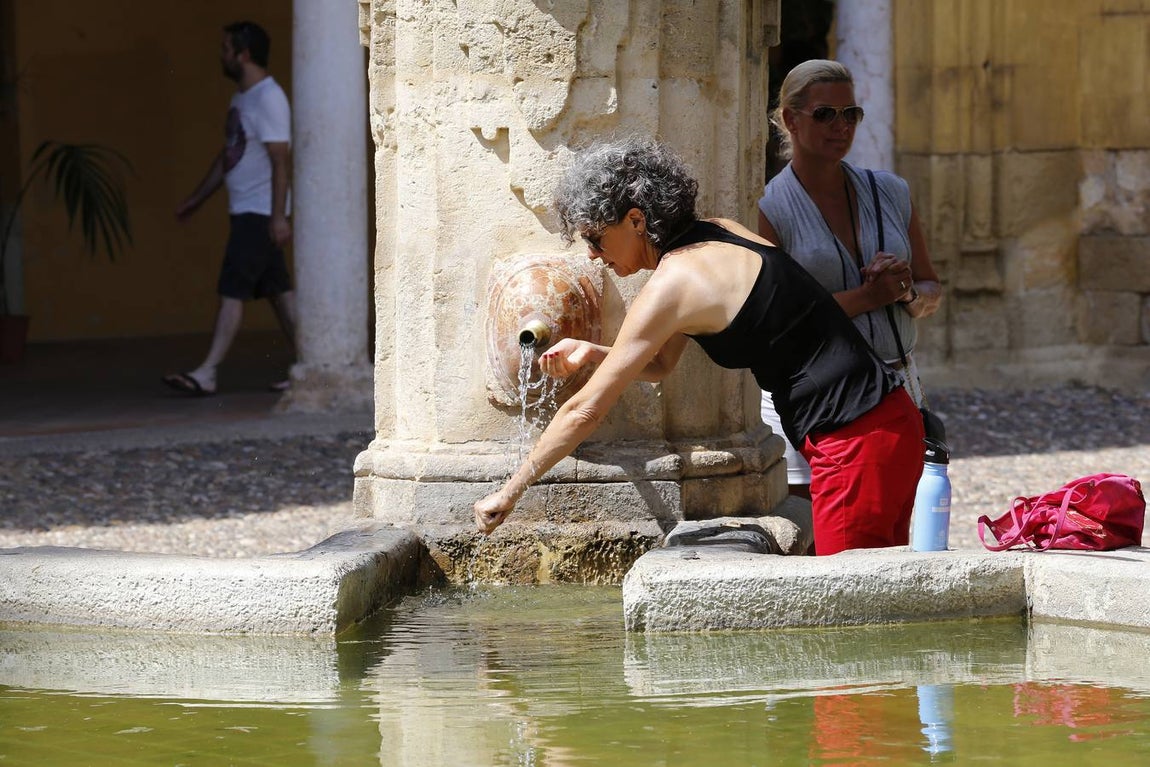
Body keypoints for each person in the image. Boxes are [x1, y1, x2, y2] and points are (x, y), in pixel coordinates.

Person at [473, 137, 924, 556]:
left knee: (847, 620)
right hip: (886, 422)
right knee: (878, 615)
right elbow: (660, 364)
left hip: (855, 443)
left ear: (636, 220)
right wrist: (595, 353)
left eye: (595, 237)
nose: (592, 254)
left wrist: (510, 490)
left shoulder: (675, 281)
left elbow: (584, 411)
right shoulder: (718, 231)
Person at [757, 59, 942, 498]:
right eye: (825, 114)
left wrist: (907, 291)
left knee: (893, 537)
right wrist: (868, 295)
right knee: (815, 538)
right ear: (791, 120)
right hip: (816, 401)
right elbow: (780, 324)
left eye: (850, 114)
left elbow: (930, 287)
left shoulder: (891, 191)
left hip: (897, 388)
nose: (841, 126)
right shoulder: (767, 208)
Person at [163, 20, 296, 396]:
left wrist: (277, 217)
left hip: (259, 213)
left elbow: (280, 160)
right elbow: (229, 157)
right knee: (280, 294)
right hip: (249, 210)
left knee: (232, 290)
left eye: (226, 48)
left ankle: (207, 372)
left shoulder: (269, 98)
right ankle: (314, 365)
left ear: (244, 53)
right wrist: (195, 199)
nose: (220, 55)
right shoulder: (243, 98)